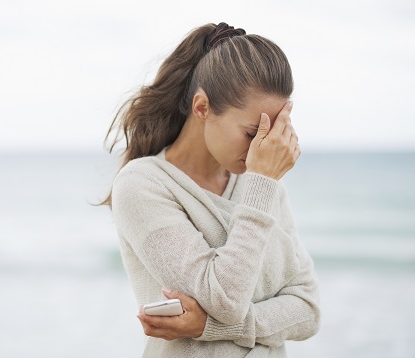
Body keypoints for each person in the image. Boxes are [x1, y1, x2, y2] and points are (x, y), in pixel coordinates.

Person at [102, 22, 320, 357]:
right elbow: (224, 299)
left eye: (272, 132)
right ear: (202, 107)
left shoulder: (264, 182)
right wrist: (262, 183)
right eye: (252, 133)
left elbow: (308, 310)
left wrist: (210, 327)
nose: (262, 148)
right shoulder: (142, 185)